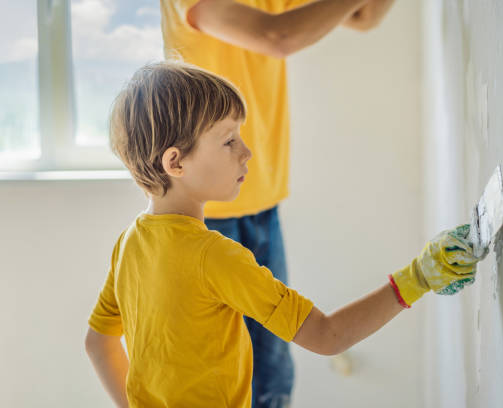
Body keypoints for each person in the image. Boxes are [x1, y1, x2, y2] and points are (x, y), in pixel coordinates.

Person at [84, 62, 480, 408]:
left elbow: (98, 343)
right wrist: (419, 278)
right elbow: (327, 336)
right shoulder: (216, 258)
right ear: (176, 162)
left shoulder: (129, 244)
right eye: (228, 140)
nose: (247, 152)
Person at [158, 1, 396, 405]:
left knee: (272, 374)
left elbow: (365, 15)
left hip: (260, 200)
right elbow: (278, 36)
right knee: (217, 377)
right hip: (203, 216)